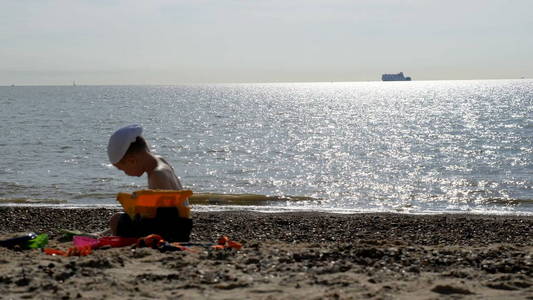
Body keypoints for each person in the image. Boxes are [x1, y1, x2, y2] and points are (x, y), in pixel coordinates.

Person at [106, 124, 191, 241]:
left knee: (116, 220)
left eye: (122, 169)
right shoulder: (160, 161)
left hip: (172, 231)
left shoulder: (157, 175)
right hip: (182, 225)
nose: (125, 173)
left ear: (132, 161)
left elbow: (161, 218)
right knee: (124, 217)